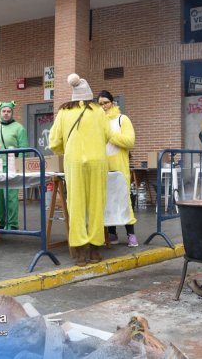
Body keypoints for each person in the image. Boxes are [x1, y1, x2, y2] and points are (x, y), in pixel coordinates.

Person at [49, 73, 112, 266]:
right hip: (97, 161)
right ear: (90, 95)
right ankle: (95, 250)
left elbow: (54, 142)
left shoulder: (64, 112)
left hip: (74, 162)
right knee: (96, 204)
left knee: (75, 204)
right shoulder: (99, 111)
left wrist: (68, 151)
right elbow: (108, 135)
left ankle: (79, 253)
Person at [98, 90, 139, 248]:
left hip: (119, 167)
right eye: (100, 104)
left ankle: (131, 234)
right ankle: (112, 233)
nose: (103, 106)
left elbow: (130, 141)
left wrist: (110, 136)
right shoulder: (98, 122)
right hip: (103, 166)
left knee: (123, 199)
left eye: (106, 103)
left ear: (112, 102)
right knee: (106, 201)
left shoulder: (123, 119)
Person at [0, 101, 28, 230]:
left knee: (10, 197)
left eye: (8, 111)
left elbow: (24, 149)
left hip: (12, 167)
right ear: (0, 112)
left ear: (12, 113)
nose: (6, 114)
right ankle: (0, 223)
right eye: (4, 111)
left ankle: (12, 224)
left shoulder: (19, 128)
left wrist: (20, 167)